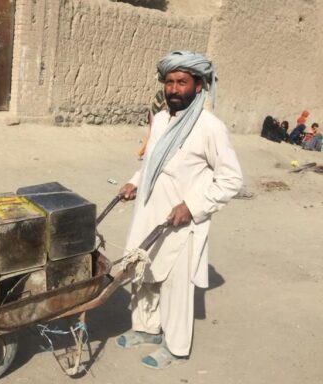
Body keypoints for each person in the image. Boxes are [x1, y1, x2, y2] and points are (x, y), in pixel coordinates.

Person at [116, 51, 243, 369]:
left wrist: (193, 207)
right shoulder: (160, 120)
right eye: (169, 82)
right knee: (142, 273)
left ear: (198, 86)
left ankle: (175, 347)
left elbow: (232, 179)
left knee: (175, 285)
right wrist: (134, 182)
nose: (174, 89)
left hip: (182, 222)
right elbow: (151, 164)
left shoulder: (210, 127)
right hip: (149, 214)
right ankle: (146, 329)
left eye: (182, 82)